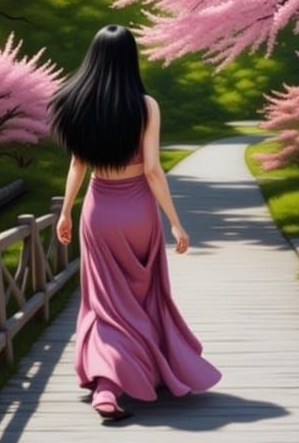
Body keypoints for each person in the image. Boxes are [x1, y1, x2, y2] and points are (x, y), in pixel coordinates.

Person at [48, 24, 222, 420]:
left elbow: (77, 165)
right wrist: (175, 222)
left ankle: (108, 385)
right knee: (142, 297)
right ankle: (132, 373)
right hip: (138, 211)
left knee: (105, 303)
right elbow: (153, 170)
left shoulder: (76, 102)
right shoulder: (145, 107)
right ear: (130, 59)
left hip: (99, 211)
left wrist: (66, 211)